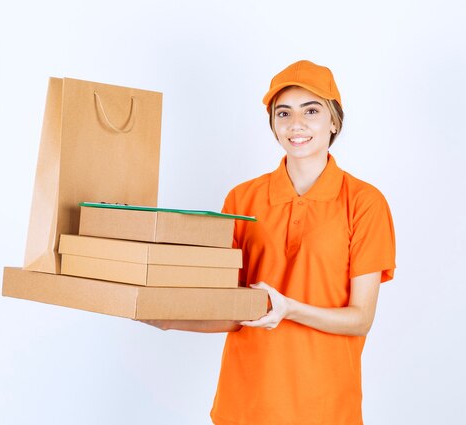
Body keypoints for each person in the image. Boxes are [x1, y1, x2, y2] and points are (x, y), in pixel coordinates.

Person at [144, 60, 396, 425]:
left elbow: (360, 319)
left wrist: (288, 309)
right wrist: (167, 318)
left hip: (324, 408)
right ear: (273, 124)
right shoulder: (242, 199)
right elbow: (232, 312)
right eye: (284, 113)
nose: (296, 124)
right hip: (245, 403)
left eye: (311, 111)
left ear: (334, 121)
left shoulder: (364, 203)